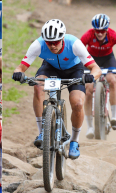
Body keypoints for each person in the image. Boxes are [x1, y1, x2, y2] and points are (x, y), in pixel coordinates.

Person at [12, 19, 101, 159]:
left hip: (74, 70)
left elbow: (96, 69)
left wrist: (91, 77)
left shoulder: (74, 43)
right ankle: (42, 132)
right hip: (50, 68)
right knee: (37, 87)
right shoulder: (38, 44)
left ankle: (74, 141)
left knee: (77, 103)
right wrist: (18, 73)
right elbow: (21, 67)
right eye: (49, 42)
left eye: (56, 42)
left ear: (63, 38)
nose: (52, 46)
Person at [81, 14, 116, 138]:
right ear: (93, 30)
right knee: (88, 89)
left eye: (102, 31)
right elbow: (78, 50)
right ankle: (90, 126)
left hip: (108, 59)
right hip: (91, 60)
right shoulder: (88, 35)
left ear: (107, 29)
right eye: (97, 31)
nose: (99, 33)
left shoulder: (113, 35)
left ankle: (114, 115)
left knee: (112, 80)